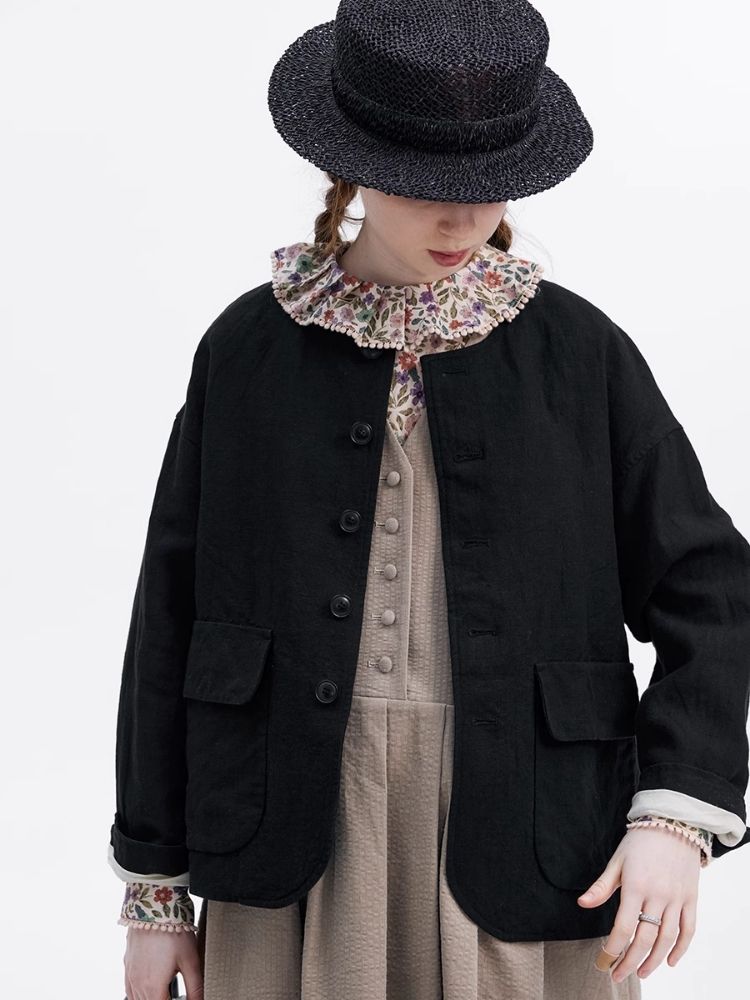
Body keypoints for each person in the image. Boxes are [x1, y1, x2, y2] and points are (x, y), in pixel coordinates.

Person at [108, 2, 750, 998]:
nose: (461, 221)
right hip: (288, 848)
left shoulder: (581, 356)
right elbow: (170, 618)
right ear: (351, 166)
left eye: (490, 186)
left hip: (534, 838)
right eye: (425, 190)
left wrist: (675, 814)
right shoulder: (246, 353)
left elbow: (712, 589)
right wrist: (156, 892)